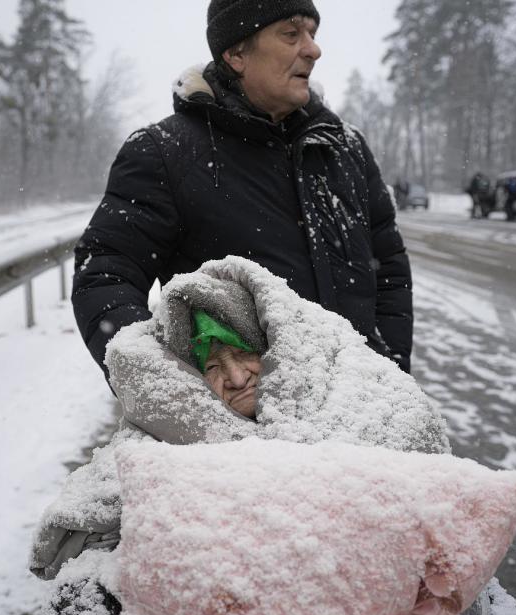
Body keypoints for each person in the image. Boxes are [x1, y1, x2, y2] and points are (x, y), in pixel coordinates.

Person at [33, 257, 450, 615]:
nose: (233, 377)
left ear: (271, 347)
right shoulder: (171, 429)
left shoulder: (350, 391)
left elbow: (421, 466)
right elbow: (73, 533)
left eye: (243, 353)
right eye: (212, 366)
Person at [72, 0, 414, 379]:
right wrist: (181, 393)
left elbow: (390, 274)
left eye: (313, 34)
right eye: (291, 33)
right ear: (236, 53)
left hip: (359, 412)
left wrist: (390, 373)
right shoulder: (164, 153)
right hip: (245, 430)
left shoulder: (345, 149)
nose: (313, 49)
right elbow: (105, 278)